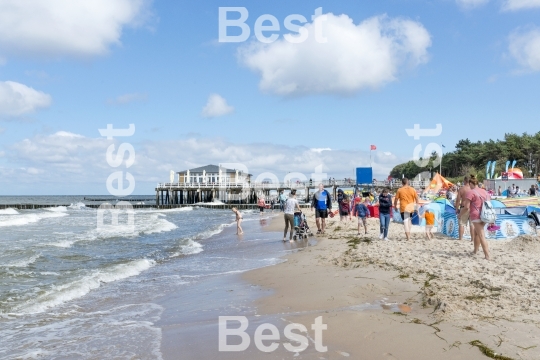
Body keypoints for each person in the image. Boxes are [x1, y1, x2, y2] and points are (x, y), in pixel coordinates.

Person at [461, 175, 491, 260]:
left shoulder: (471, 192)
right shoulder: (485, 192)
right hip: (485, 215)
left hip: (476, 215)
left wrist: (460, 214)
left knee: (481, 235)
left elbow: (466, 207)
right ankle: (475, 250)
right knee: (476, 232)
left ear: (471, 183)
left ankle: (487, 255)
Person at [455, 175, 474, 243]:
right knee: (472, 224)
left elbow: (458, 200)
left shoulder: (462, 189)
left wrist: (456, 209)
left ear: (465, 181)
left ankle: (460, 238)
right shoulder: (472, 189)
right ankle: (472, 239)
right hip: (472, 207)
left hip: (464, 207)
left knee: (461, 224)